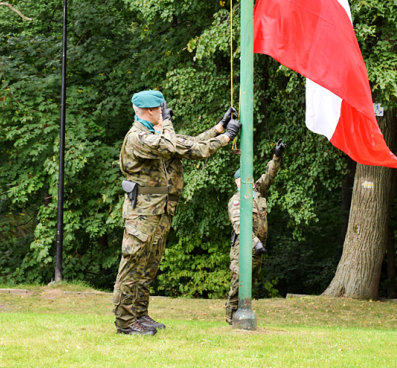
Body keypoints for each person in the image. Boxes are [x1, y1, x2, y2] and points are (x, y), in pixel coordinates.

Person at [114, 90, 241, 335]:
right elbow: (172, 145)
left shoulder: (154, 134)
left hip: (158, 209)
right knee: (132, 264)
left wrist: (219, 129)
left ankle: (139, 314)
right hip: (142, 211)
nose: (162, 112)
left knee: (149, 264)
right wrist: (167, 122)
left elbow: (188, 145)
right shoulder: (138, 138)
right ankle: (125, 322)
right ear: (151, 111)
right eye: (160, 109)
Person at [224, 139, 285, 325]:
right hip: (243, 249)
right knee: (238, 285)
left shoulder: (256, 193)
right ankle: (230, 319)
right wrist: (255, 242)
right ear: (237, 182)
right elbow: (239, 225)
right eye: (245, 179)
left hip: (258, 250)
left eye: (250, 178)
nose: (250, 182)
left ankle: (243, 317)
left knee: (249, 284)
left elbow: (269, 176)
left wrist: (276, 156)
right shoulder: (236, 200)